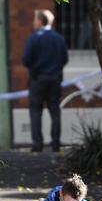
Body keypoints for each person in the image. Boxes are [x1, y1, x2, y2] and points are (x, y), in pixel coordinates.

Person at [22, 9, 68, 152]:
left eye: (35, 19)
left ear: (40, 21)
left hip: (38, 79)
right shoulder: (59, 38)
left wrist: (34, 68)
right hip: (55, 78)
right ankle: (55, 143)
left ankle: (38, 144)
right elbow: (65, 59)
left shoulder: (34, 38)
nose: (33, 22)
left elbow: (25, 59)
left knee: (36, 111)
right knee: (55, 110)